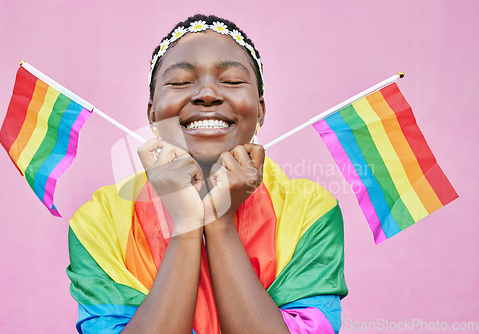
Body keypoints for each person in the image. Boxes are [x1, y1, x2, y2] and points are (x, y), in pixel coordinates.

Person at [67, 14, 348, 334]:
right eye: (180, 82)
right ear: (153, 114)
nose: (207, 94)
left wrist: (219, 222)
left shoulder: (310, 210)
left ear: (260, 111)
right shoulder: (100, 219)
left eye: (231, 80)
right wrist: (187, 224)